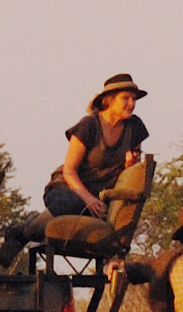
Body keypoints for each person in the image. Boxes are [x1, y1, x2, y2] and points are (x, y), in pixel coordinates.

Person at [46, 74, 151, 223]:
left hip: (102, 196)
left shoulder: (134, 127)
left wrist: (129, 165)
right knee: (72, 205)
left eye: (134, 99)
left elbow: (130, 173)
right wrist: (88, 199)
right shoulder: (89, 125)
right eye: (125, 98)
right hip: (70, 189)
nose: (131, 104)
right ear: (109, 100)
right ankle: (27, 229)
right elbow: (69, 171)